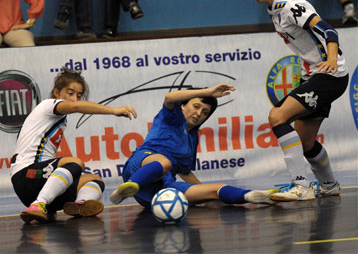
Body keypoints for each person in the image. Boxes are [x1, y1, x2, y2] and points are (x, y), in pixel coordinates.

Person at [246, 0, 349, 201]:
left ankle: (301, 186)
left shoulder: (290, 4)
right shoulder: (273, 7)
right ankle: (329, 185)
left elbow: (328, 30)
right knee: (306, 141)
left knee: (277, 116)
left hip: (329, 74)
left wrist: (332, 58)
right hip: (314, 75)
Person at [110, 84, 278, 208]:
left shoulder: (192, 138)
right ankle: (128, 186)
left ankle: (251, 196)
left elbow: (185, 172)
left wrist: (202, 192)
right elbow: (169, 98)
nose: (199, 114)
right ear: (183, 105)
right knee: (165, 163)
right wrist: (208, 92)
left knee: (214, 192)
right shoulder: (173, 118)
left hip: (158, 191)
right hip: (140, 166)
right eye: (196, 106)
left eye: (205, 112)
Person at [11, 69, 137, 223]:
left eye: (78, 95)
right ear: (56, 92)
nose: (74, 99)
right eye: (70, 93)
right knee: (76, 163)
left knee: (95, 180)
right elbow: (76, 107)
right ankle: (39, 204)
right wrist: (114, 110)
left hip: (40, 183)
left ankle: (79, 205)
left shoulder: (60, 118)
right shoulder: (48, 105)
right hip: (27, 176)